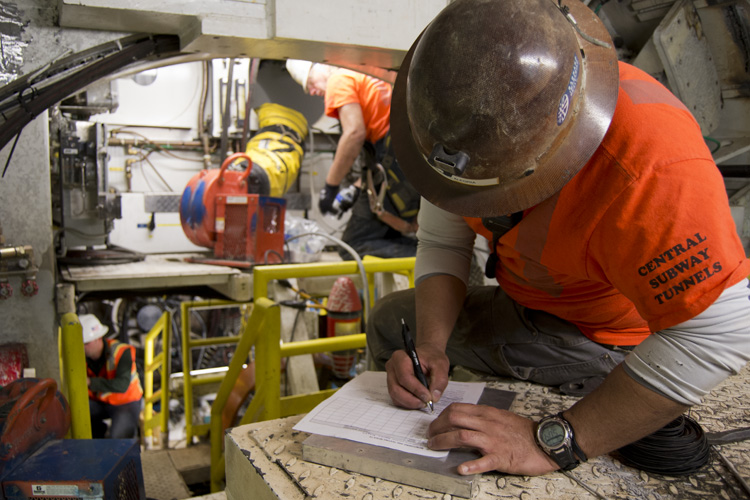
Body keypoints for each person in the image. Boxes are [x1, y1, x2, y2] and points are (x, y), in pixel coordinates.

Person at [368, 0, 750, 477]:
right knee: (391, 321)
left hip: (609, 337)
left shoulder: (649, 162)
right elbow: (445, 240)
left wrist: (554, 441)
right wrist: (431, 347)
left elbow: (722, 332)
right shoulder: (453, 124)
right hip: (531, 305)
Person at [286, 59, 421, 259]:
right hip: (410, 161)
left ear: (320, 68)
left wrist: (330, 187)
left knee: (353, 245)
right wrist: (355, 189)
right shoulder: (367, 73)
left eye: (310, 83)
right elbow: (378, 155)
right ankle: (437, 262)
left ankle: (440, 263)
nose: (312, 92)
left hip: (397, 167)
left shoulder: (339, 79)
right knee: (387, 234)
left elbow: (354, 134)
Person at [81, 313, 143, 439]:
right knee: (78, 418)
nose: (82, 348)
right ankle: (98, 436)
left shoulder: (122, 352)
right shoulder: (79, 356)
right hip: (100, 401)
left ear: (98, 338)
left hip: (125, 402)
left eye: (86, 343)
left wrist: (90, 382)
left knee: (120, 441)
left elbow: (122, 385)